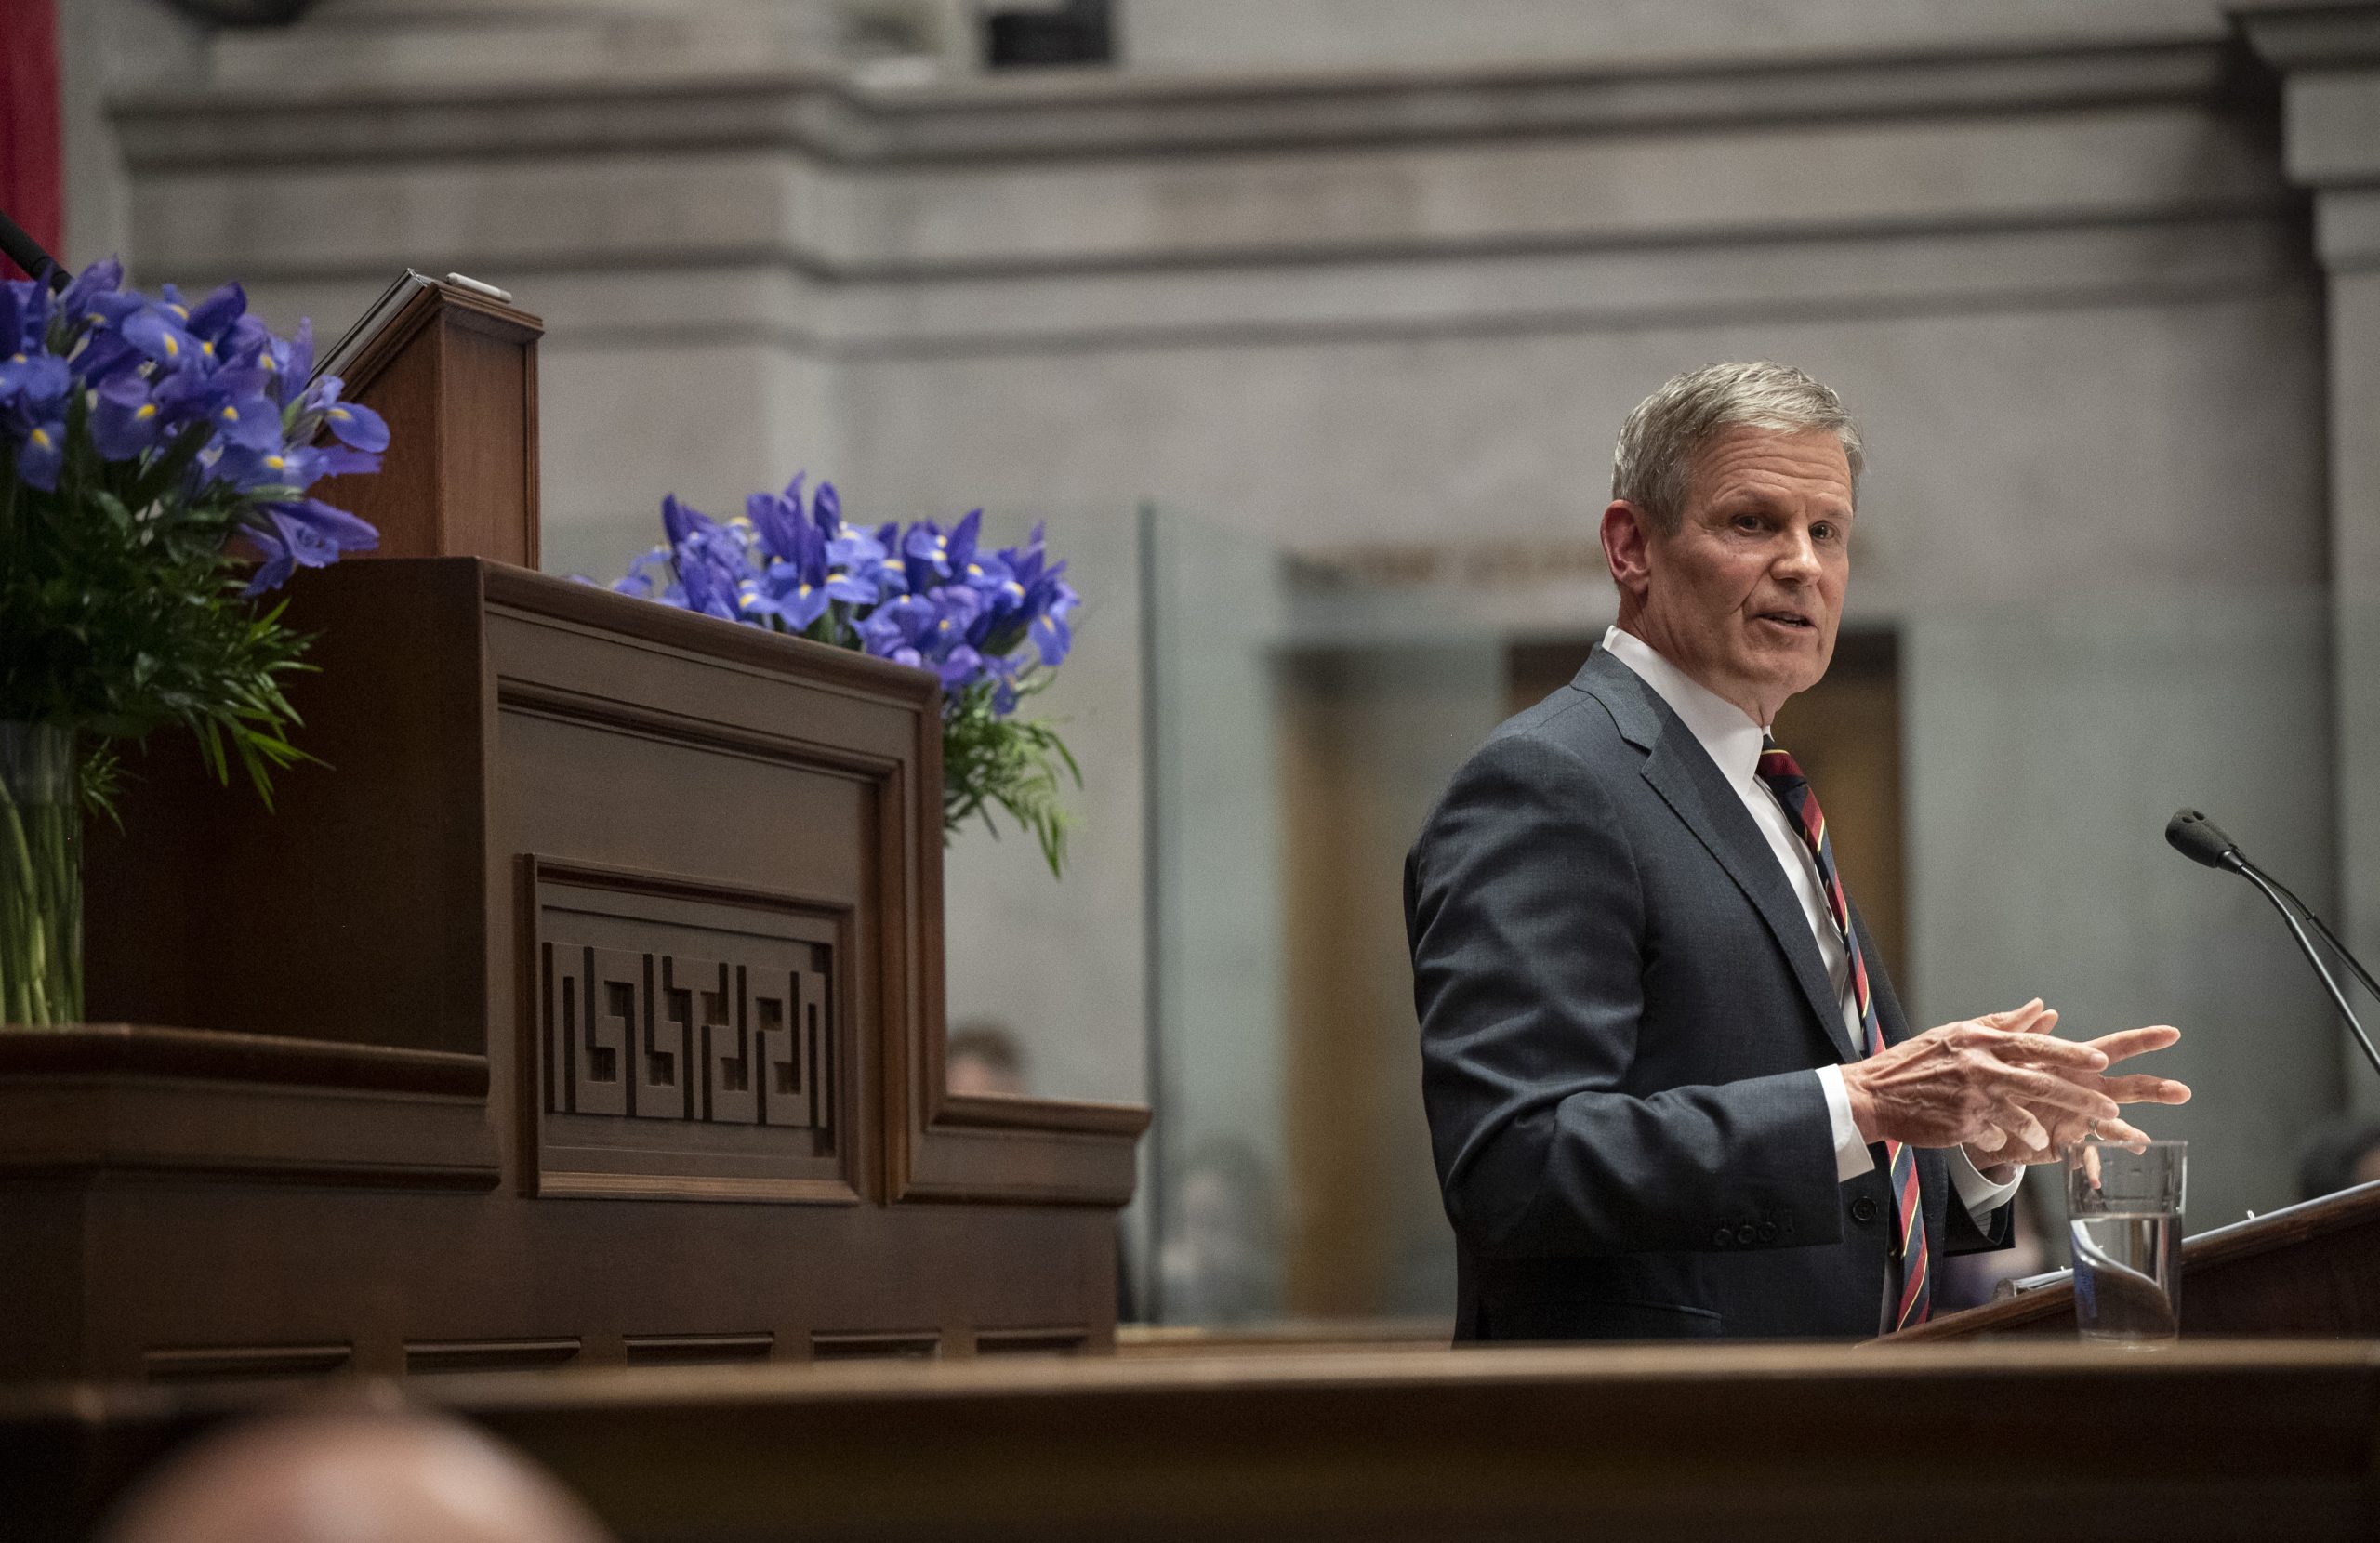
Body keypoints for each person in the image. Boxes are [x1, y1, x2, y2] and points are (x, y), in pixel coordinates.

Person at [1405, 361, 2191, 1340]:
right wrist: (1863, 1099)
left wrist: (1966, 1142)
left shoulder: (1760, 785)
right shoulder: (1551, 781)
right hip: (1653, 1452)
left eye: (1827, 532)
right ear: (1630, 545)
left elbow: (1828, 1190)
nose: (1802, 564)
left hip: (1824, 1426)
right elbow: (1516, 1167)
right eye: (1752, 523)